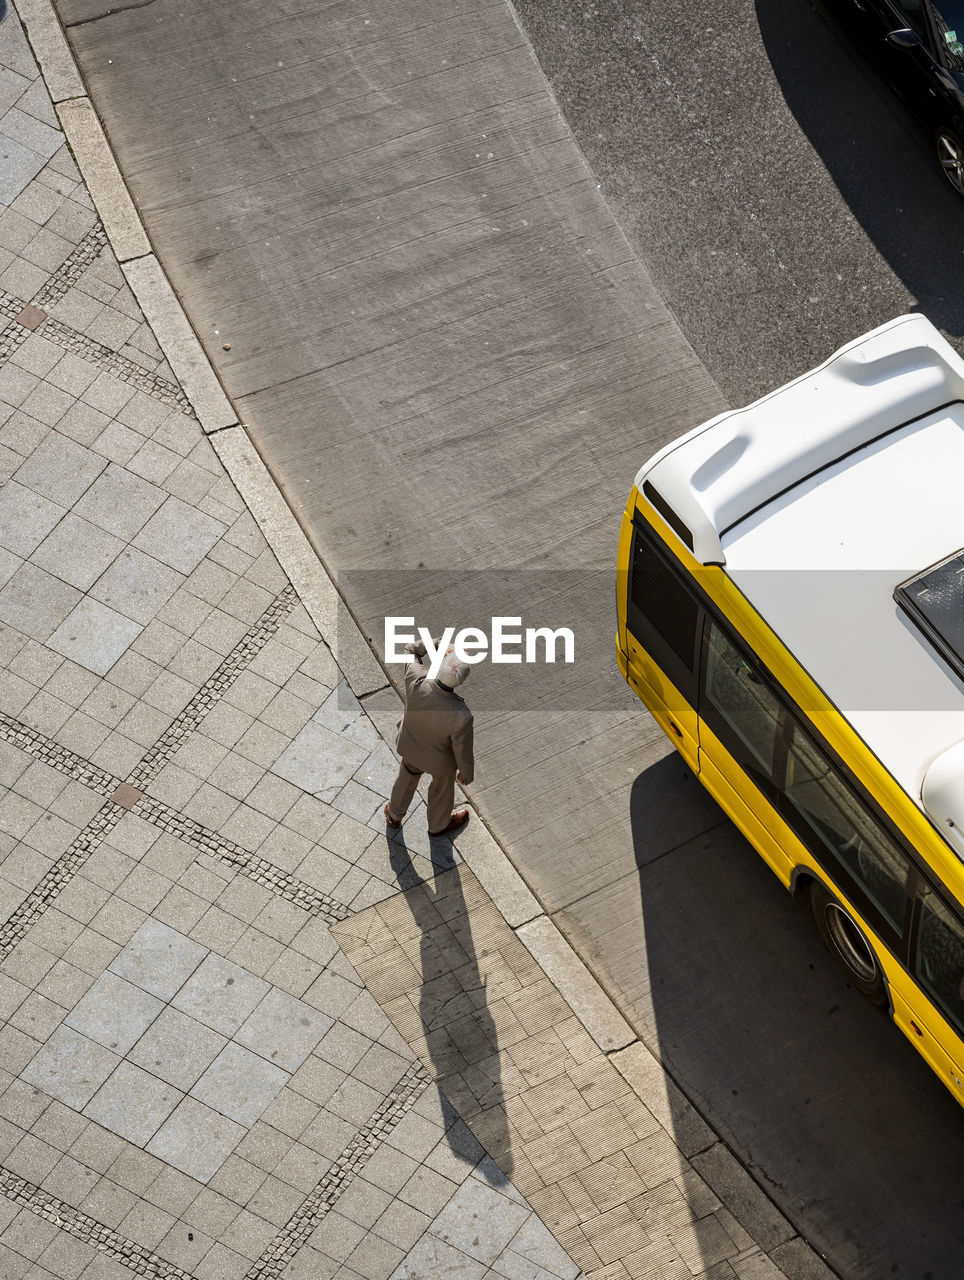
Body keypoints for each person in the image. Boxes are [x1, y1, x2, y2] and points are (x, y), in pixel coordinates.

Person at [385, 638, 474, 837]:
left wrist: (439, 643)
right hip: (439, 763)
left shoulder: (416, 679)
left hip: (411, 745)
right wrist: (466, 774)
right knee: (442, 790)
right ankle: (438, 825)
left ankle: (394, 814)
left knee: (406, 774)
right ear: (461, 680)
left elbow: (409, 650)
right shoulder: (462, 715)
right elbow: (463, 751)